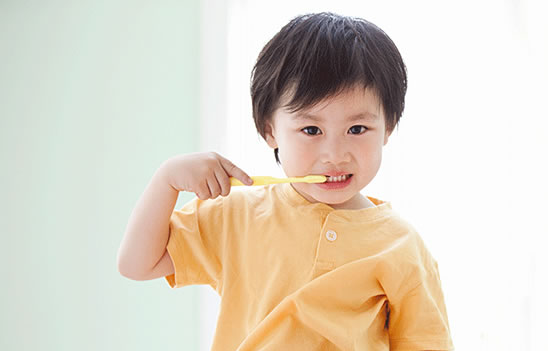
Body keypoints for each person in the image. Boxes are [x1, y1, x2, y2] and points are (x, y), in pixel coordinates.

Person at [117, 12, 453, 350]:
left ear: (389, 127)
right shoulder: (236, 214)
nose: (334, 154)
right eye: (311, 130)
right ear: (269, 130)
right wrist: (166, 182)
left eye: (357, 129)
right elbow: (136, 263)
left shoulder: (402, 246)